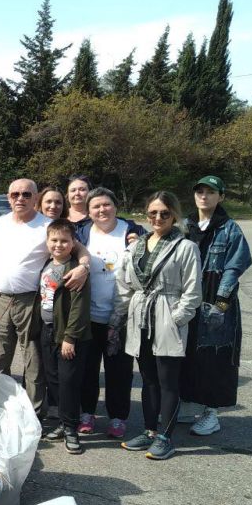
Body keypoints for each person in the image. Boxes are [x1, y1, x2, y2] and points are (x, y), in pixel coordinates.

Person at [0, 179, 90, 420]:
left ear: (35, 197)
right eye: (15, 194)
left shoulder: (47, 226)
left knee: (33, 361)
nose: (20, 198)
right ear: (8, 197)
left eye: (26, 194)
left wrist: (83, 267)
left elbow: (77, 248)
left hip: (31, 300)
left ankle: (33, 414)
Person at [114, 191, 201, 461]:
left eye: (164, 213)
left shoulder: (185, 247)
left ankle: (166, 436)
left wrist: (176, 319)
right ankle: (150, 431)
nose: (158, 218)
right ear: (146, 214)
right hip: (141, 315)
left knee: (168, 380)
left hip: (166, 314)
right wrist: (121, 316)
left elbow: (192, 290)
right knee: (149, 380)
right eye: (153, 213)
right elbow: (124, 283)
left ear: (174, 215)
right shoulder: (136, 245)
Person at [180, 175, 252, 437]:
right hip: (188, 297)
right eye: (200, 191)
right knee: (187, 352)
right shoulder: (185, 224)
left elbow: (236, 265)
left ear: (220, 197)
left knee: (215, 357)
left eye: (211, 192)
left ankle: (211, 414)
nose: (204, 196)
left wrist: (221, 302)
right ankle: (188, 404)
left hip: (216, 298)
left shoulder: (230, 228)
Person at [74, 187, 145, 439]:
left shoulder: (131, 232)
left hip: (121, 316)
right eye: (96, 206)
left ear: (115, 206)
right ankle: (87, 413)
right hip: (89, 314)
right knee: (88, 368)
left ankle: (117, 417)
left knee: (119, 370)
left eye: (106, 205)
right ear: (89, 210)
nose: (102, 210)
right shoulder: (82, 233)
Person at [34, 219, 92, 454]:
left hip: (67, 334)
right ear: (47, 242)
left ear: (73, 243)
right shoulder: (47, 264)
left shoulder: (76, 270)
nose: (59, 245)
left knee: (69, 382)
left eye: (64, 241)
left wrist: (70, 338)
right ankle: (61, 422)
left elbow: (79, 307)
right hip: (47, 330)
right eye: (54, 240)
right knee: (53, 379)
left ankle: (71, 429)